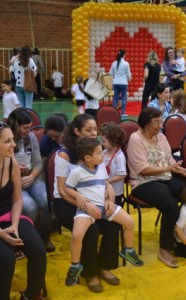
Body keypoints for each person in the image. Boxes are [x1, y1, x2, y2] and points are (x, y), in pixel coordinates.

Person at [53, 114, 121, 292]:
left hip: (92, 200)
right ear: (77, 131)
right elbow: (61, 190)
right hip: (67, 202)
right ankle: (90, 273)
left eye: (95, 129)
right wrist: (84, 206)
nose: (94, 133)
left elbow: (100, 178)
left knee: (114, 223)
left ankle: (104, 266)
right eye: (88, 130)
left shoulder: (95, 150)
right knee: (91, 230)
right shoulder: (64, 154)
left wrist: (107, 191)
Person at [127, 107, 186, 268]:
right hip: (143, 182)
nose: (160, 125)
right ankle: (164, 249)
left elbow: (170, 161)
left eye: (161, 121)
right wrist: (168, 169)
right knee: (171, 206)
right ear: (146, 123)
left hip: (165, 177)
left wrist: (183, 170)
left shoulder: (161, 137)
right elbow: (142, 170)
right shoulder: (135, 139)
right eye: (157, 122)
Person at [64, 138, 143, 286]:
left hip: (104, 207)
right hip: (87, 210)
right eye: (100, 153)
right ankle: (75, 266)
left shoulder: (101, 167)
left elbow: (104, 183)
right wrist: (79, 196)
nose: (103, 156)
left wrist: (108, 194)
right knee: (77, 235)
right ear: (87, 158)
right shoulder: (77, 172)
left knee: (130, 222)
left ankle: (128, 250)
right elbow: (67, 188)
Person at [0, 122, 46, 300]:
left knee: (39, 251)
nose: (14, 145)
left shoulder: (12, 164)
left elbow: (17, 200)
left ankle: (29, 296)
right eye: (7, 141)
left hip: (9, 217)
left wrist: (15, 226)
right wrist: (1, 234)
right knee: (6, 259)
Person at [7, 108, 54, 252]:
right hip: (13, 181)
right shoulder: (6, 139)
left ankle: (41, 237)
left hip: (31, 178)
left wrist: (32, 176)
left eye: (30, 127)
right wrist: (15, 170)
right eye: (25, 127)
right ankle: (24, 239)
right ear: (15, 126)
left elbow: (38, 162)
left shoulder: (31, 137)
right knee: (30, 207)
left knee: (48, 201)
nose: (29, 130)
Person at [100, 122, 127, 206]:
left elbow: (122, 175)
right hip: (104, 189)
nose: (101, 143)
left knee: (113, 213)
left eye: (104, 141)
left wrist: (107, 181)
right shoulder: (104, 152)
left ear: (113, 141)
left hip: (116, 192)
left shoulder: (119, 156)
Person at [109, 49, 131, 116]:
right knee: (123, 98)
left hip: (115, 82)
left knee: (115, 98)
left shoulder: (114, 63)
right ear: (124, 55)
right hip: (124, 83)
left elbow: (110, 73)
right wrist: (129, 79)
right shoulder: (126, 64)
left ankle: (113, 112)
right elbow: (128, 74)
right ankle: (123, 113)